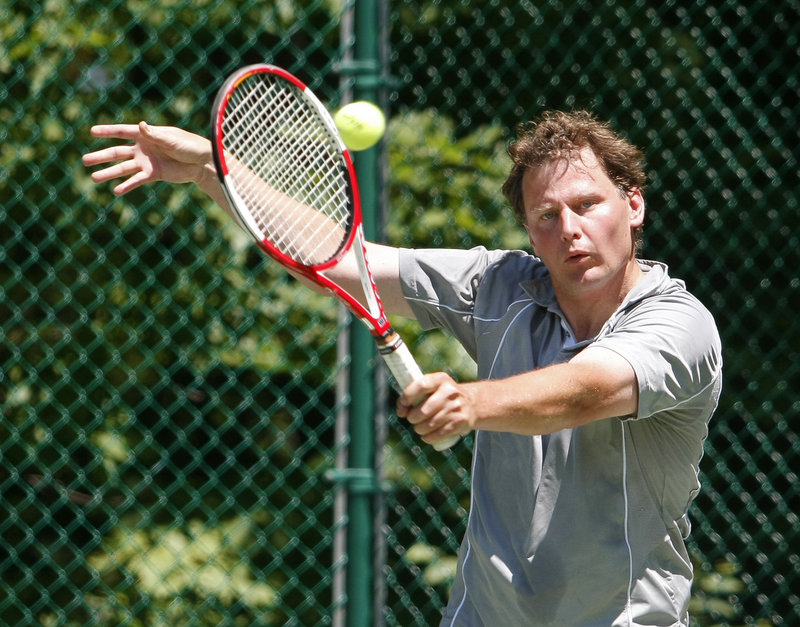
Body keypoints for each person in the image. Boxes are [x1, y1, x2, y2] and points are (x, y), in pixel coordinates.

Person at [83, 111, 722, 626]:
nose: (571, 230)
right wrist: (211, 170)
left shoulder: (679, 323)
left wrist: (474, 404)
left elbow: (590, 389)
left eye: (588, 205)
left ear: (633, 205)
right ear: (529, 231)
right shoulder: (500, 286)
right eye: (547, 217)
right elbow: (341, 260)